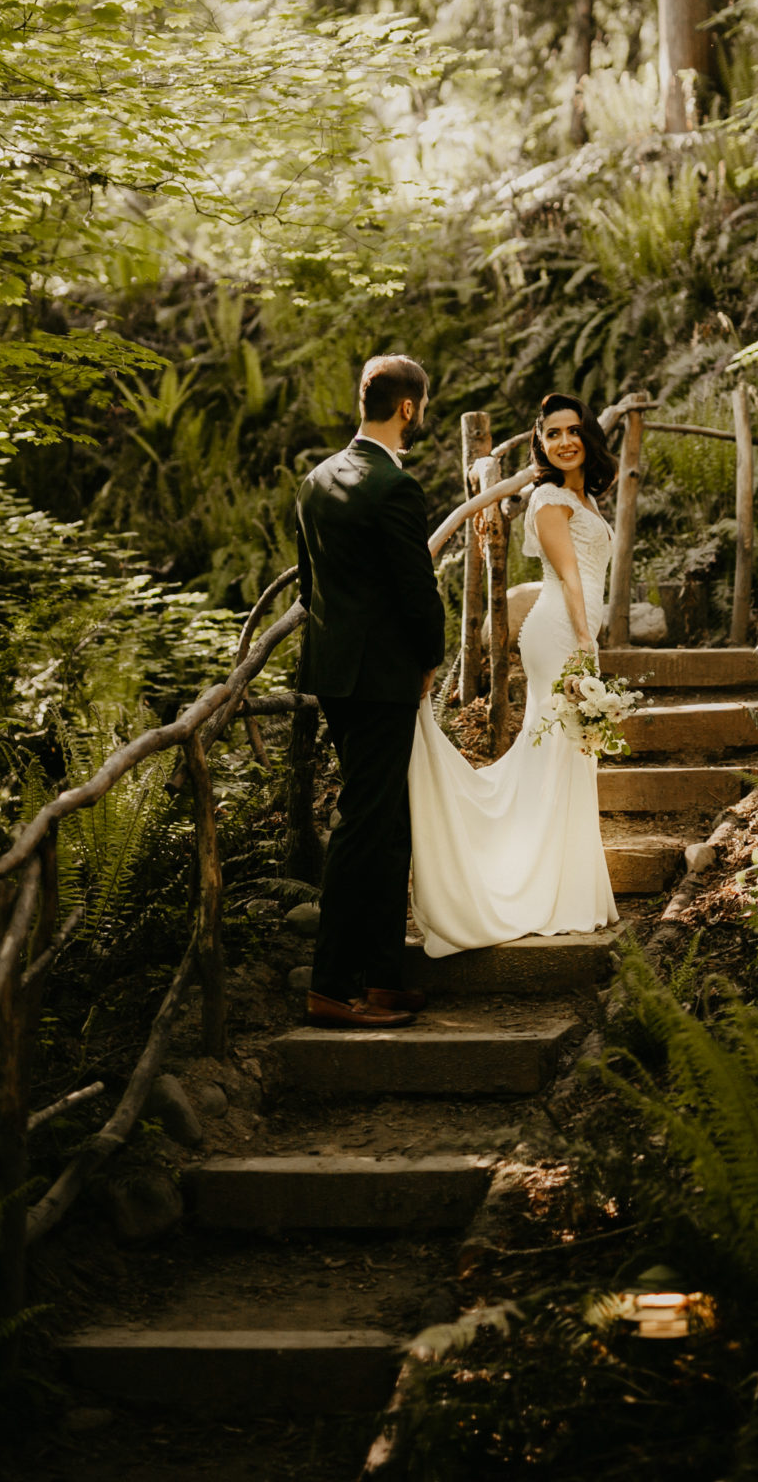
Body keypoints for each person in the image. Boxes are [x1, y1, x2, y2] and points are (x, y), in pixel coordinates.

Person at [408, 393, 620, 953]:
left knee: (569, 754)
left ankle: (566, 886)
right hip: (558, 633)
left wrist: (588, 641)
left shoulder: (587, 497)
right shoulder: (550, 499)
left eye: (574, 430)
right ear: (541, 443)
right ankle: (532, 885)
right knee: (557, 750)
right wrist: (584, 643)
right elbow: (571, 578)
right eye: (553, 434)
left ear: (588, 436)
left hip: (575, 633)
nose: (565, 441)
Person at [295, 353, 447, 1028]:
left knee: (387, 823)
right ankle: (332, 985)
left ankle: (384, 976)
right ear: (408, 407)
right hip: (383, 676)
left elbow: (310, 588)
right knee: (364, 824)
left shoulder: (316, 480)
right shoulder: (394, 487)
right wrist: (431, 658)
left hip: (334, 671)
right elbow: (418, 590)